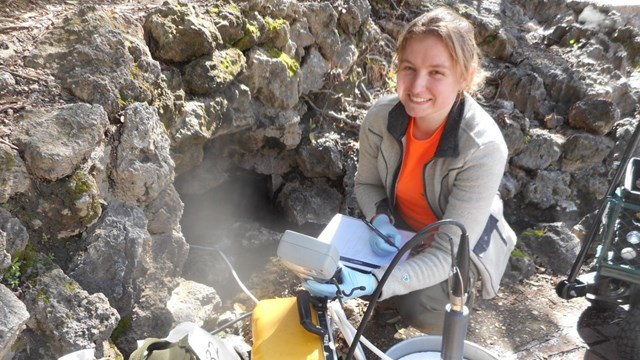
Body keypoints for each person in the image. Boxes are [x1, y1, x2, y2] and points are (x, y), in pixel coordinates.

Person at [304, 7, 517, 334]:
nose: (417, 87)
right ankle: (394, 285)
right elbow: (367, 184)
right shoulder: (380, 118)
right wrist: (381, 220)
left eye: (436, 72)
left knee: (422, 305)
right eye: (408, 68)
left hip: (455, 244)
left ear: (466, 77)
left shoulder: (484, 148)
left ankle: (444, 312)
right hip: (400, 228)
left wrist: (379, 282)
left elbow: (449, 250)